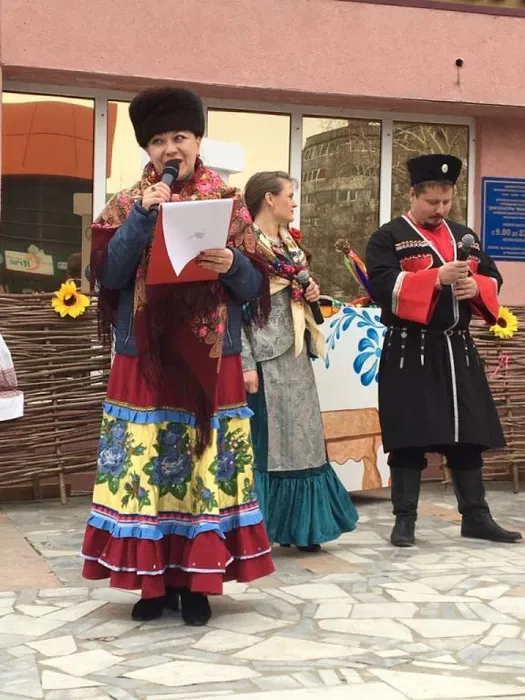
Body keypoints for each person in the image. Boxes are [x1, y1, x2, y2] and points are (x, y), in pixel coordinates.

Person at [81, 87, 275, 626]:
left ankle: (197, 583)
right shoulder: (126, 204)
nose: (171, 149)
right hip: (144, 354)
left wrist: (232, 263)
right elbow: (109, 275)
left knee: (203, 466)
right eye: (159, 141)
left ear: (197, 141)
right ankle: (152, 583)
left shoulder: (228, 203)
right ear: (147, 150)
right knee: (147, 467)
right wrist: (142, 219)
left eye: (181, 137)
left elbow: (253, 286)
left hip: (214, 355)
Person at [366, 153, 522, 548]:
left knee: (468, 434)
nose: (440, 209)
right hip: (409, 349)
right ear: (412, 195)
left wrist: (476, 287)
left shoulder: (464, 235)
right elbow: (381, 286)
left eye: (446, 201)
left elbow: (492, 277)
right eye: (432, 202)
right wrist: (436, 277)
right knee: (409, 435)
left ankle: (477, 517)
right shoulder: (388, 237)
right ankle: (405, 521)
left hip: (457, 349)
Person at [242, 171, 358, 552]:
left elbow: (293, 287)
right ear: (268, 199)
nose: (294, 202)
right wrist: (244, 362)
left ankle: (306, 528)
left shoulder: (290, 245)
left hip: (296, 352)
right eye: (289, 195)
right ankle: (263, 528)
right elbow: (233, 310)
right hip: (265, 356)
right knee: (269, 445)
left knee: (305, 442)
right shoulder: (246, 248)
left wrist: (310, 290)